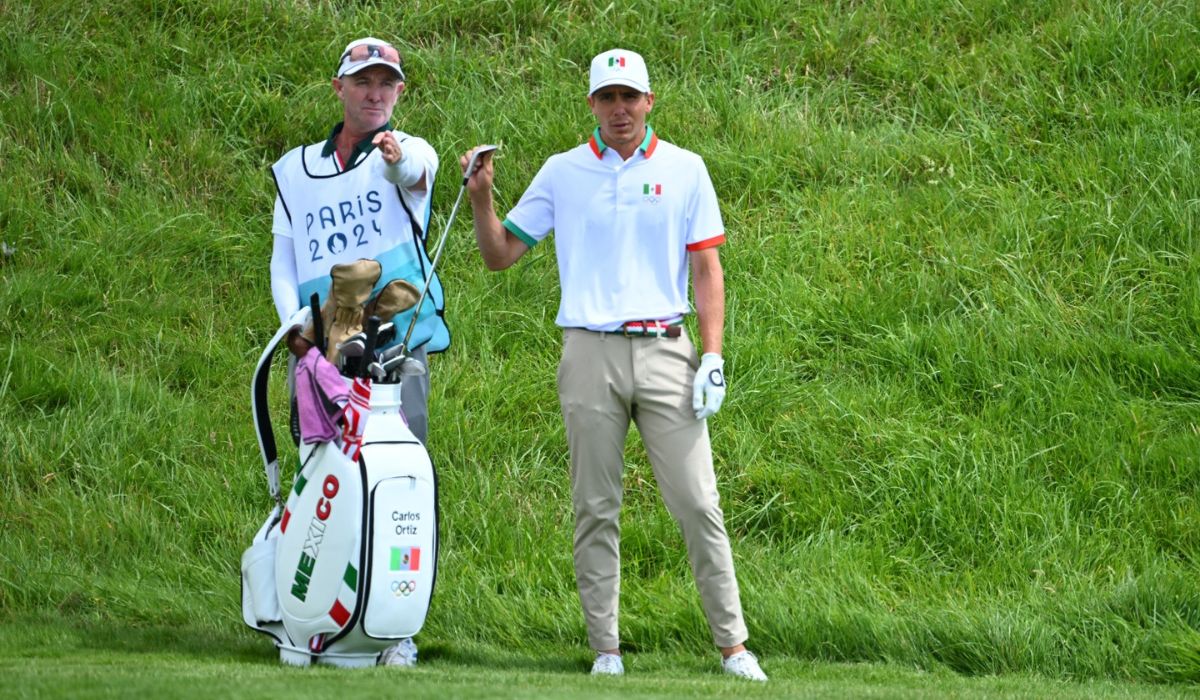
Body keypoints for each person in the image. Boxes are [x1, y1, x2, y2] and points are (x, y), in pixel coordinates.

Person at [460, 49, 768, 681]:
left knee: (698, 502)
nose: (620, 109)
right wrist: (482, 199)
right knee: (595, 505)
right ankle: (607, 650)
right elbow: (500, 255)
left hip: (666, 349)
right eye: (608, 98)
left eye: (631, 97)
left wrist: (712, 357)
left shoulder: (686, 169)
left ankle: (734, 647)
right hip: (588, 350)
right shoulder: (563, 171)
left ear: (649, 101)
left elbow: (707, 270)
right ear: (593, 105)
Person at [267, 36, 449, 668]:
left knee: (397, 482)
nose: (376, 93)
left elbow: (411, 171)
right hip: (321, 352)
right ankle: (314, 614)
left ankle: (393, 627)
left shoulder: (409, 150)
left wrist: (395, 157)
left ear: (399, 93)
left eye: (387, 84)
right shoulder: (293, 170)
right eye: (364, 82)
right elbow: (283, 259)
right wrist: (293, 324)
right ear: (340, 88)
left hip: (396, 349)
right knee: (322, 480)